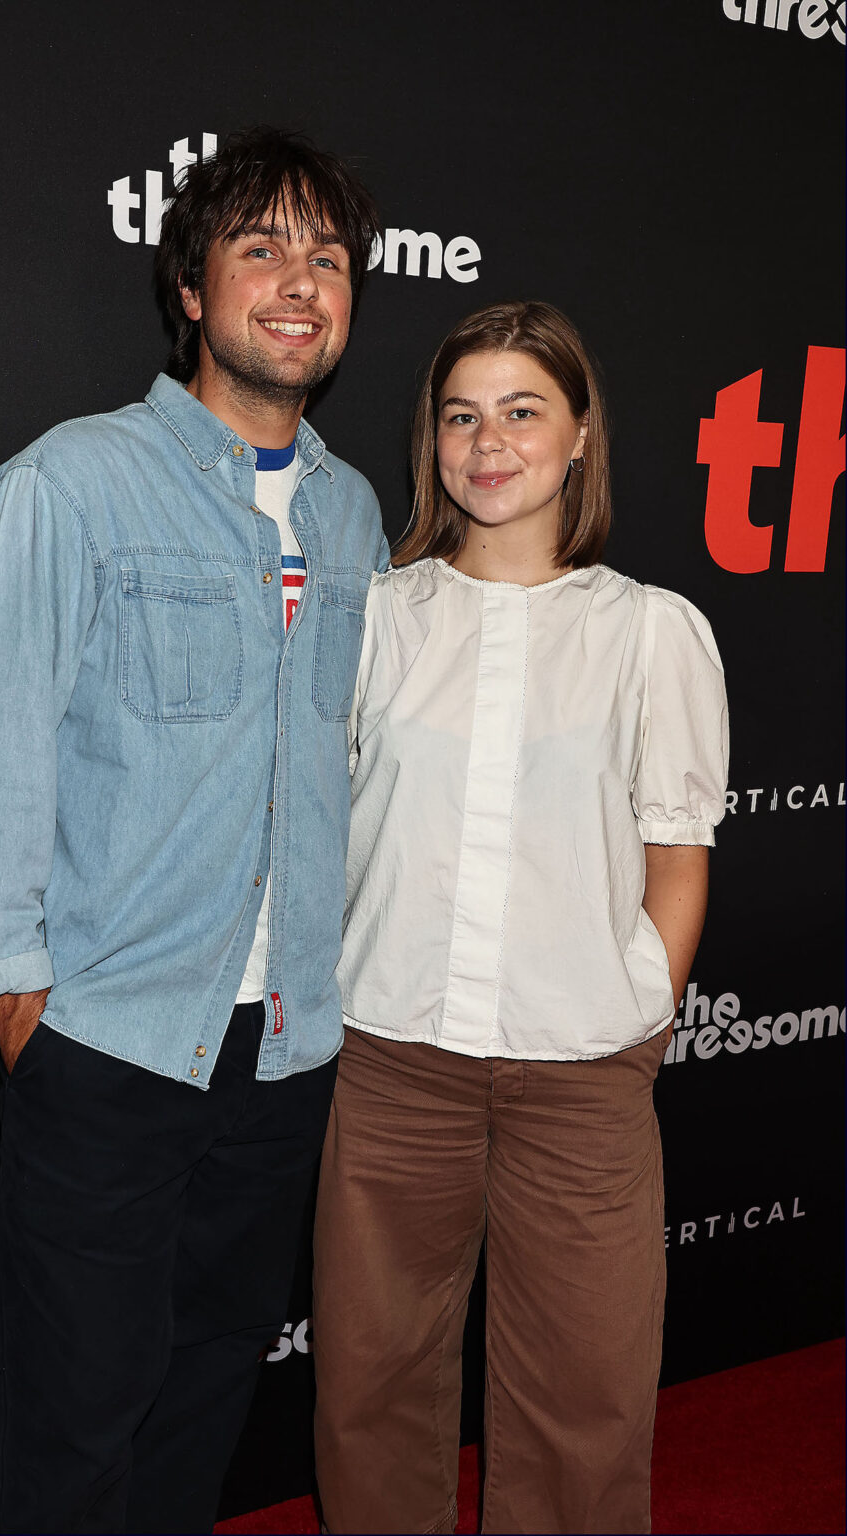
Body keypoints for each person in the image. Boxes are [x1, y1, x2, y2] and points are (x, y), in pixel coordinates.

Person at [0, 127, 386, 1535]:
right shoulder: (67, 485)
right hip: (111, 1045)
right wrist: (17, 1000)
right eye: (261, 248)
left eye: (328, 258)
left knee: (204, 1393)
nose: (299, 284)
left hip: (286, 1049)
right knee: (73, 1414)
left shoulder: (355, 513)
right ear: (191, 286)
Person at [312, 301, 729, 1535]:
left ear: (580, 433)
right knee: (371, 1388)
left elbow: (677, 854)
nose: (487, 443)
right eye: (461, 416)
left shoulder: (648, 631)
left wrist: (640, 1010)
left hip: (581, 1074)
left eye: (521, 411)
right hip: (393, 1063)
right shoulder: (375, 618)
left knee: (585, 1400)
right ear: (431, 441)